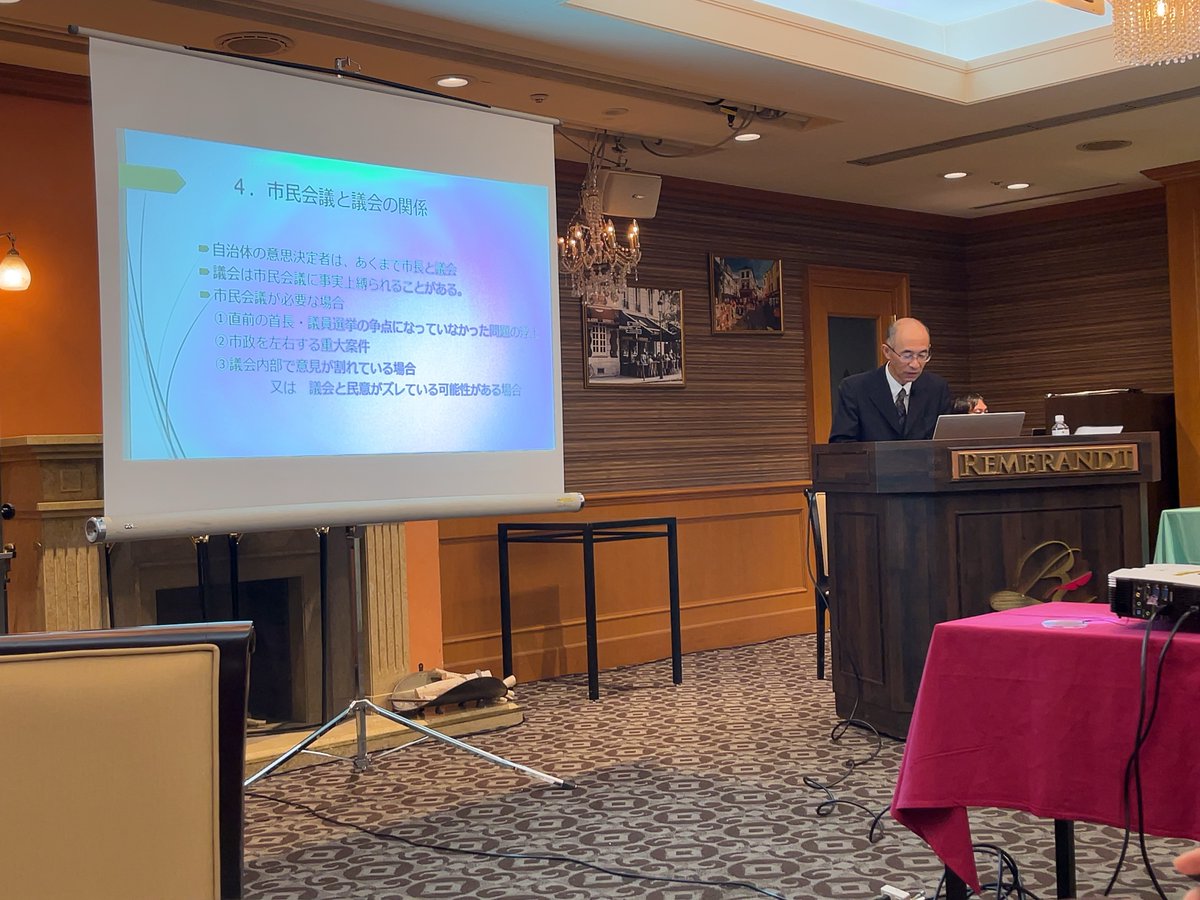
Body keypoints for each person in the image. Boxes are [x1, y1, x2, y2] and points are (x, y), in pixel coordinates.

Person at [828, 317, 952, 442]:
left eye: (922, 355)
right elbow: (842, 443)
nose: (915, 364)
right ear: (887, 351)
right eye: (907, 355)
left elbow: (947, 441)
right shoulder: (855, 389)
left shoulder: (936, 388)